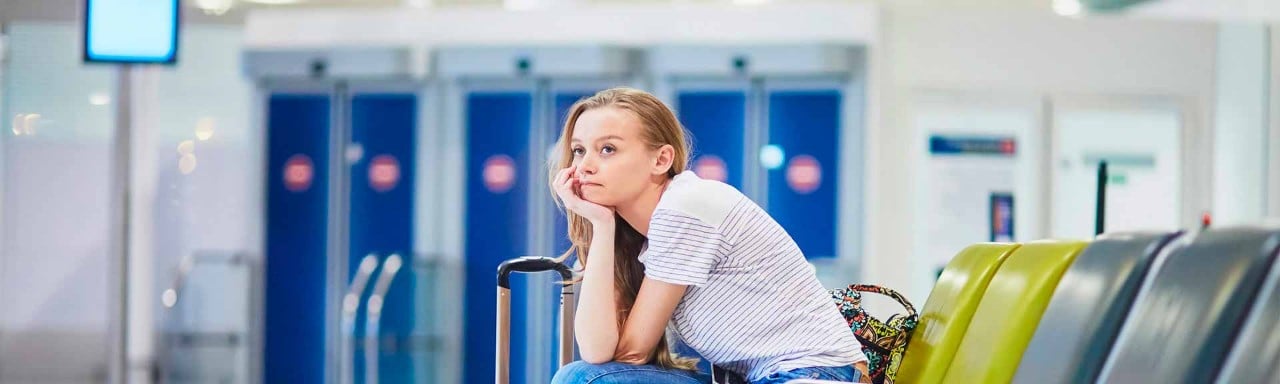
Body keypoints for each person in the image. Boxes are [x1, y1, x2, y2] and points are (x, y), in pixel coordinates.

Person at [547, 87, 870, 384]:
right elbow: (597, 351)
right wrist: (602, 228)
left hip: (812, 374)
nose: (585, 166)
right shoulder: (639, 235)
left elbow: (632, 353)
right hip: (765, 376)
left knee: (585, 380)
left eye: (607, 149)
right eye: (578, 151)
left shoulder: (685, 206)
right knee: (580, 376)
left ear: (661, 160)